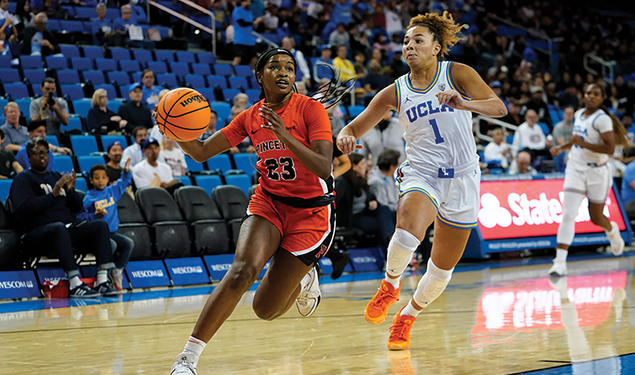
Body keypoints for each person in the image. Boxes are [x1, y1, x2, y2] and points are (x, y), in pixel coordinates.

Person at [170, 48, 347, 375]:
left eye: (290, 67)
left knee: (265, 309)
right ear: (259, 75)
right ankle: (187, 359)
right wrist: (173, 128)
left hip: (311, 214)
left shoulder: (310, 110)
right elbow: (201, 151)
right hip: (270, 202)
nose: (284, 72)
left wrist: (284, 135)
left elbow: (324, 166)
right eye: (275, 67)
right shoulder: (250, 116)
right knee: (241, 270)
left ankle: (304, 274)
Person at [337, 11, 507, 350]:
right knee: (407, 229)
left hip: (463, 177)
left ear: (437, 48)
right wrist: (345, 134)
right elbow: (355, 127)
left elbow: (499, 108)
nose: (409, 46)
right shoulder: (395, 91)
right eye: (405, 41)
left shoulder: (457, 73)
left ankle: (407, 317)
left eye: (418, 40)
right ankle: (390, 284)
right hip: (422, 170)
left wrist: (465, 102)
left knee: (442, 269)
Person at [9, 138, 120, 297]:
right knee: (58, 227)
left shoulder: (55, 176)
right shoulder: (23, 179)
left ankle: (102, 280)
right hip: (37, 235)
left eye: (44, 153)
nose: (41, 157)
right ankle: (74, 284)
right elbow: (22, 211)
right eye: (36, 153)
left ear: (49, 155)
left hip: (66, 231)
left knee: (99, 226)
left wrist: (70, 191)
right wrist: (53, 195)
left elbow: (76, 208)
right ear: (28, 156)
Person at [548, 83, 628, 277]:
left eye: (595, 94)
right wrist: (563, 147)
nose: (590, 96)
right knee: (568, 214)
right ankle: (559, 262)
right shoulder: (579, 114)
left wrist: (581, 143)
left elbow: (609, 150)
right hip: (575, 168)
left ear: (602, 98)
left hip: (597, 172)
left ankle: (612, 231)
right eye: (588, 92)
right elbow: (577, 142)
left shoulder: (603, 120)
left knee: (596, 217)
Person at [78, 161, 134, 291]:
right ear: (91, 180)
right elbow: (81, 218)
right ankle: (101, 275)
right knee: (111, 245)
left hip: (112, 233)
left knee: (128, 243)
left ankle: (116, 271)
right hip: (97, 236)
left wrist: (125, 172)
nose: (101, 181)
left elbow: (124, 182)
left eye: (103, 177)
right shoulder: (88, 198)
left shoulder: (112, 191)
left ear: (108, 179)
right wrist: (94, 216)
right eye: (97, 178)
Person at [231, 0, 262, 66]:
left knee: (254, 57)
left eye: (249, 2)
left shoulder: (249, 12)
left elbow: (252, 26)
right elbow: (241, 23)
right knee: (238, 57)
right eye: (246, 1)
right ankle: (232, 73)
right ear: (242, 2)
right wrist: (254, 22)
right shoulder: (237, 10)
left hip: (250, 40)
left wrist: (257, 23)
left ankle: (251, 73)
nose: (248, 3)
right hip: (240, 39)